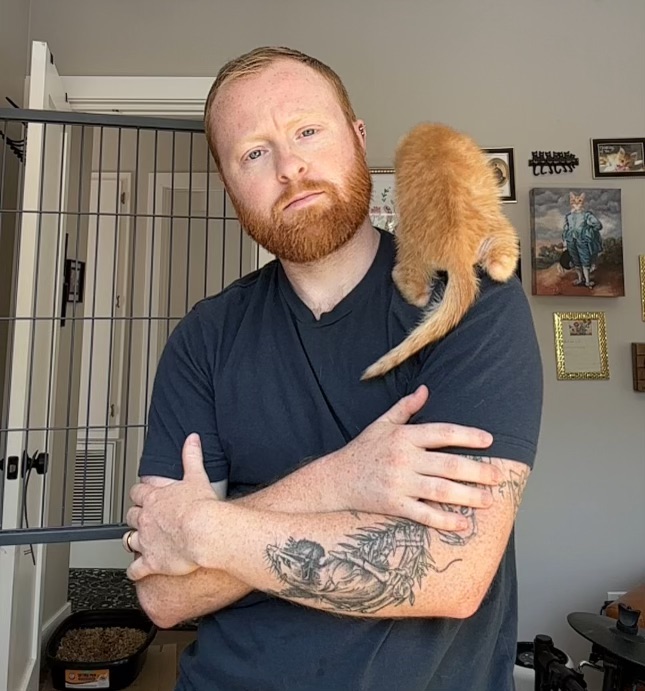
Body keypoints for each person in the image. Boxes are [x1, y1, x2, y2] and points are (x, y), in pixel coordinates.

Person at [122, 46, 543, 691]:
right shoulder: (203, 339)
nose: (290, 167)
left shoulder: (468, 298)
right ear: (230, 186)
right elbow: (163, 594)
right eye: (253, 153)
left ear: (357, 138)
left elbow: (449, 572)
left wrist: (204, 527)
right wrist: (339, 480)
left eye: (308, 132)